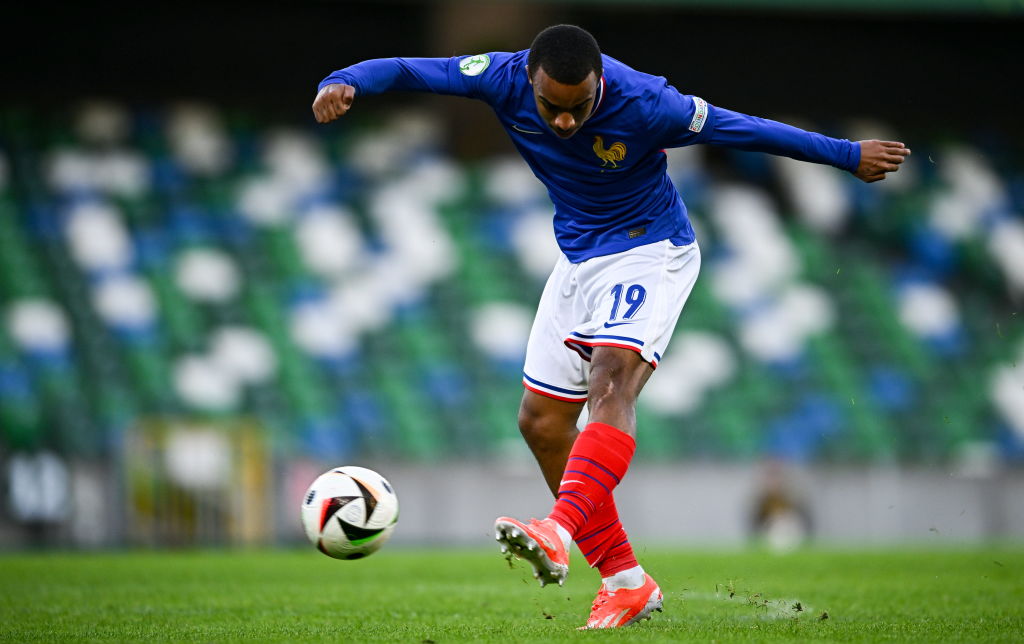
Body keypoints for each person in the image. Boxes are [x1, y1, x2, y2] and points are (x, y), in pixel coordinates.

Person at [312, 24, 909, 629]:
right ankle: (626, 581)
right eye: (552, 107)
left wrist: (845, 154)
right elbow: (411, 69)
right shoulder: (499, 76)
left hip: (651, 251)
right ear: (529, 80)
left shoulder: (647, 102)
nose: (565, 121)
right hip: (578, 260)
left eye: (579, 107)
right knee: (541, 423)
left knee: (611, 380)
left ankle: (557, 531)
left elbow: (744, 128)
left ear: (599, 82)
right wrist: (345, 80)